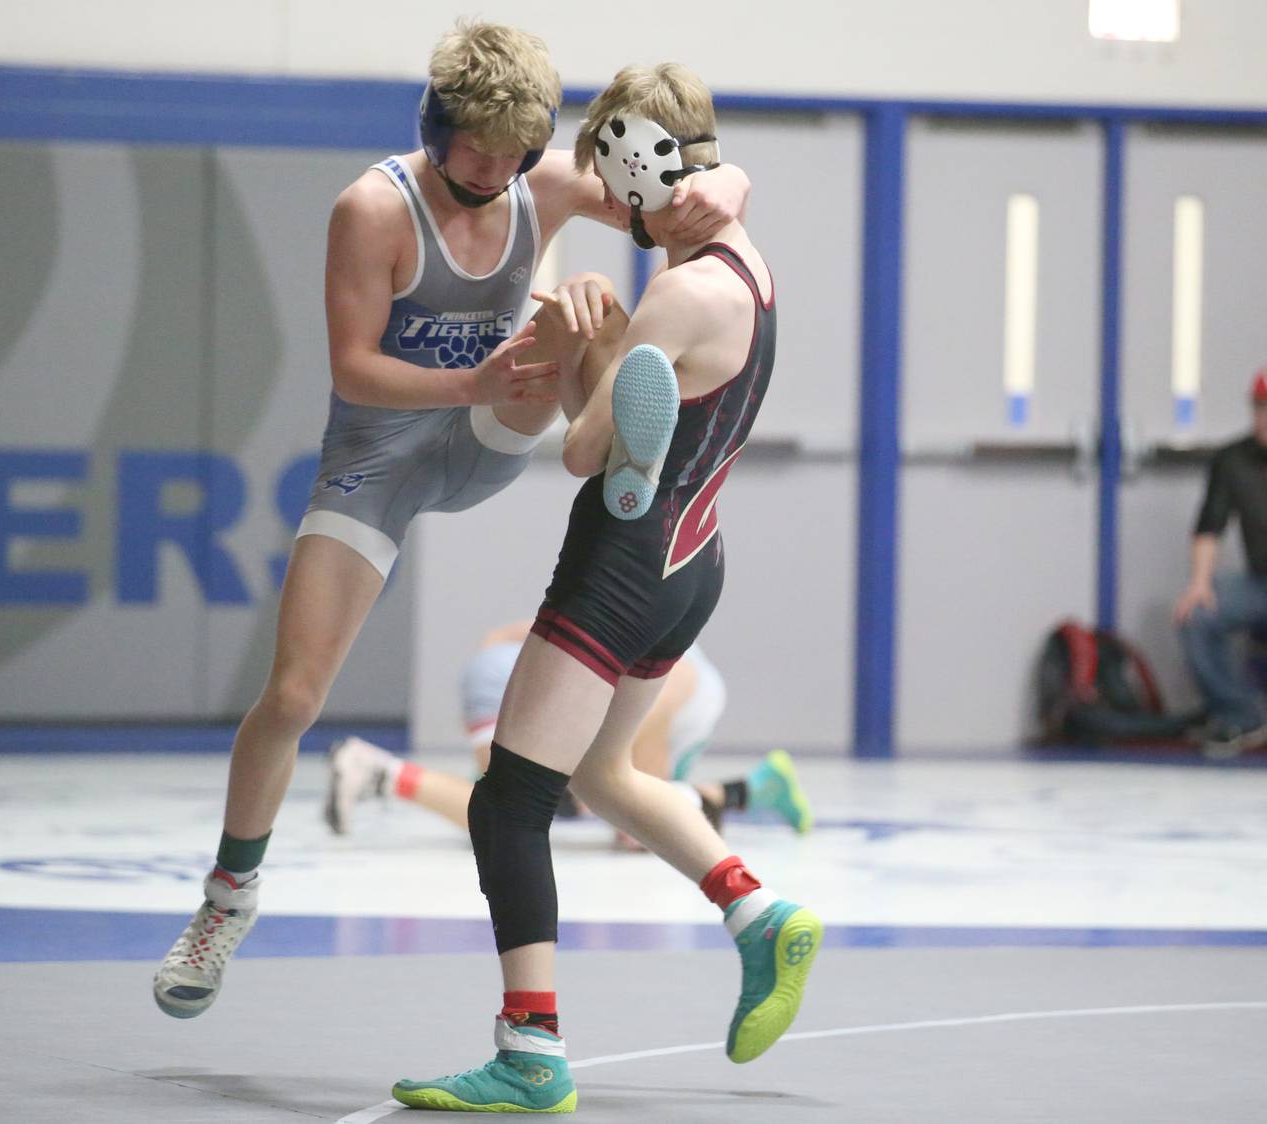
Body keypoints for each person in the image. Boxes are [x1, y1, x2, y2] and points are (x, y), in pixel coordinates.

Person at [151, 21, 751, 1020]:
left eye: (517, 153)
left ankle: (613, 453)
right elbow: (353, 368)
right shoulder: (372, 208)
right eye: (478, 149)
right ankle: (228, 896)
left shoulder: (540, 183)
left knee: (575, 309)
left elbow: (671, 203)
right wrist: (468, 374)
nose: (494, 171)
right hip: (377, 457)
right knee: (294, 694)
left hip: (490, 429)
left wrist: (730, 187)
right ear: (435, 122)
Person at [390, 63, 819, 1115]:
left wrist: (579, 334)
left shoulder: (675, 291)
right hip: (694, 558)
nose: (620, 211)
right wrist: (606, 348)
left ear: (639, 167)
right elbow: (635, 408)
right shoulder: (747, 269)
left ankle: (530, 1049)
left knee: (510, 801)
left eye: (616, 187)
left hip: (624, 558)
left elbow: (588, 450)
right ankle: (761, 915)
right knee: (608, 774)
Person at [324, 620, 813, 838]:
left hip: (500, 665)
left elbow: (499, 640)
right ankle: (751, 790)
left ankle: (752, 790)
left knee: (524, 807)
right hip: (533, 679)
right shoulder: (667, 694)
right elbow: (636, 829)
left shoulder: (665, 677)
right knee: (565, 811)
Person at [1174, 362, 1267, 755]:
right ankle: (1244, 715)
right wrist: (1199, 583)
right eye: (1260, 408)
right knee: (1196, 616)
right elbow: (1210, 526)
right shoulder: (1233, 460)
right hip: (1262, 580)